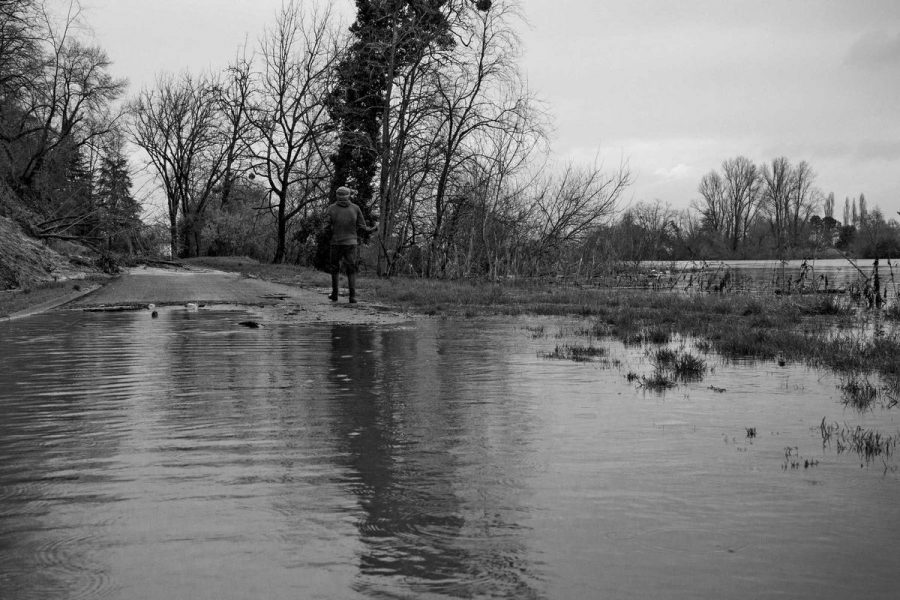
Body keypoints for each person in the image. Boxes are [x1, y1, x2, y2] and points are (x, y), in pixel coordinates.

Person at [325, 186, 376, 303]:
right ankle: (352, 297)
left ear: (337, 195)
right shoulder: (355, 208)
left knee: (335, 268)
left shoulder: (331, 208)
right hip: (351, 243)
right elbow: (363, 227)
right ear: (349, 196)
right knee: (351, 269)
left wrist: (329, 233)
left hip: (336, 242)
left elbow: (326, 226)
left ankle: (334, 294)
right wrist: (373, 228)